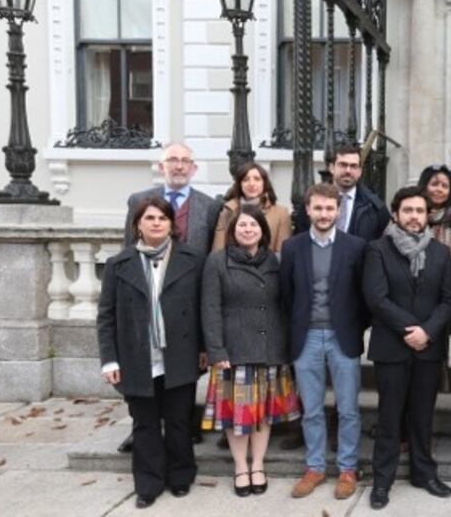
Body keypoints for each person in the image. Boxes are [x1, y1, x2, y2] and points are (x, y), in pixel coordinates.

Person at [97, 197, 207, 508]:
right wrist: (109, 359)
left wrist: (203, 348)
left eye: (162, 217)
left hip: (180, 355)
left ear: (172, 224)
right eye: (149, 218)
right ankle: (148, 483)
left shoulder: (192, 259)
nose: (156, 222)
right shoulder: (119, 264)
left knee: (178, 422)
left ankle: (181, 476)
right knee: (144, 424)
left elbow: (202, 308)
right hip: (136, 357)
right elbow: (106, 316)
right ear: (138, 225)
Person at [119, 142, 220, 453]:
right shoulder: (139, 200)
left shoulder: (209, 206)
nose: (178, 166)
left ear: (194, 168)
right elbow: (127, 249)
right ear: (161, 166)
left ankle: (182, 426)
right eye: (172, 160)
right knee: (142, 366)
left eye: (185, 161)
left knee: (184, 368)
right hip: (148, 298)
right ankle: (143, 427)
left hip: (188, 301)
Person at [363, 186, 451, 510]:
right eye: (408, 211)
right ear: (396, 214)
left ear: (428, 216)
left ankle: (424, 473)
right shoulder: (378, 250)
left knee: (422, 416)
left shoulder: (441, 252)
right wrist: (410, 329)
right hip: (392, 347)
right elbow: (377, 297)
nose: (414, 217)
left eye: (420, 211)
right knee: (389, 418)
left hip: (427, 349)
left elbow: (448, 299)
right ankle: (383, 480)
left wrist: (427, 331)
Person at [201, 205, 300, 497]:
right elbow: (210, 309)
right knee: (238, 417)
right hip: (234, 352)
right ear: (233, 231)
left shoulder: (277, 261)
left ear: (263, 230)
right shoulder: (217, 262)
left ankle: (258, 465)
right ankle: (240, 467)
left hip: (271, 349)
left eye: (253, 225)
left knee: (263, 415)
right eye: (242, 225)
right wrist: (216, 351)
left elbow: (285, 305)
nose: (248, 230)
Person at [279, 183, 368, 500]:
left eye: (330, 208)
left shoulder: (356, 247)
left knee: (348, 409)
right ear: (308, 210)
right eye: (318, 208)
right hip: (307, 338)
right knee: (312, 409)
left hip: (343, 337)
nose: (324, 214)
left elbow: (364, 296)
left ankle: (347, 468)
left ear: (338, 211)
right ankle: (315, 467)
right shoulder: (292, 248)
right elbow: (287, 296)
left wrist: (354, 327)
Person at [211, 163, 292, 253]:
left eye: (257, 179)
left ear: (264, 183)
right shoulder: (228, 210)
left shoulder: (281, 213)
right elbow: (218, 249)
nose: (252, 184)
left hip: (267, 265)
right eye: (245, 180)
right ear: (239, 184)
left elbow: (282, 252)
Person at [327, 143, 390, 241]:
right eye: (343, 165)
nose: (348, 171)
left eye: (353, 166)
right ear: (332, 168)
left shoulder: (375, 208)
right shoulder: (313, 201)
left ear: (360, 172)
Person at [418, 164, 451, 254]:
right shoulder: (412, 216)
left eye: (445, 186)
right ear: (424, 186)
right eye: (434, 184)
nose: (439, 189)